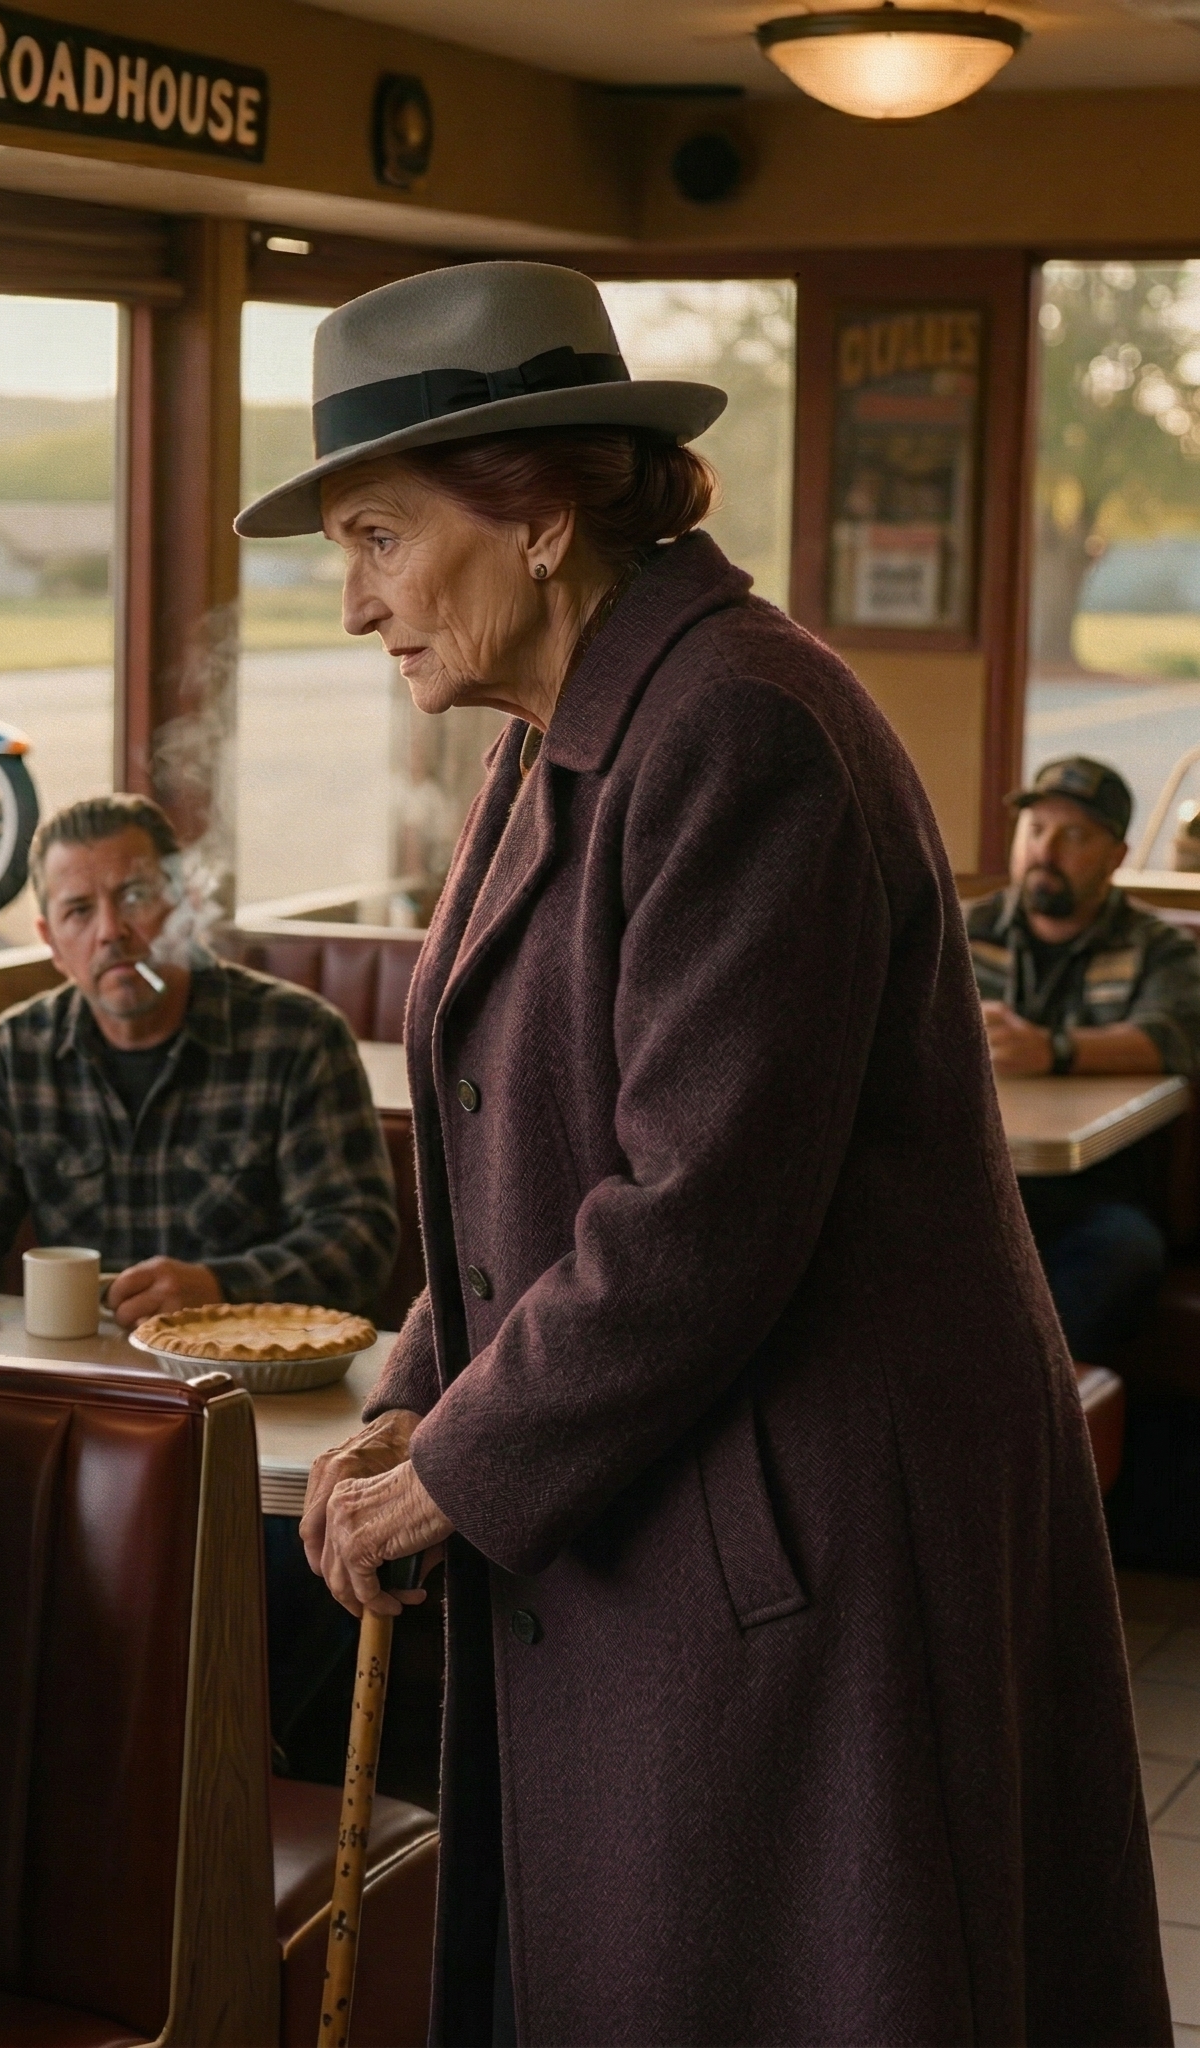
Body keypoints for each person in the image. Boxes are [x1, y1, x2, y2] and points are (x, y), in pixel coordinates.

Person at [259, 262, 1168, 2043]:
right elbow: (516, 1148)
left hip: (802, 1537)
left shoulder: (736, 721)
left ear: (535, 511)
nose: (353, 598)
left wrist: (458, 1455)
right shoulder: (557, 727)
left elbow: (697, 1204)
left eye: (375, 534)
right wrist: (419, 1385)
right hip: (672, 1494)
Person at [0, 792, 397, 1333]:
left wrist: (221, 1287)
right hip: (84, 1371)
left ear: (182, 905)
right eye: (79, 911)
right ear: (51, 942)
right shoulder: (14, 1053)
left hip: (258, 1372)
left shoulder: (299, 1038)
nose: (110, 931)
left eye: (134, 896)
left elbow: (358, 1239)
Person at [966, 754, 1200, 1364]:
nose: (1047, 850)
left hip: (1095, 1194)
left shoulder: (1158, 946)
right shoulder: (962, 929)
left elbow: (1177, 1035)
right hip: (977, 1181)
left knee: (1126, 1250)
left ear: (1117, 857)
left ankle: (1022, 1401)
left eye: (1074, 835)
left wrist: (1054, 1050)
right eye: (1037, 829)